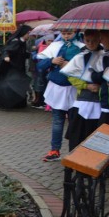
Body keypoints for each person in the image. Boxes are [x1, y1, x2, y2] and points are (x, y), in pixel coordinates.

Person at [36, 29, 83, 162]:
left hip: (75, 88)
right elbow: (40, 65)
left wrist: (70, 65)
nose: (66, 36)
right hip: (57, 87)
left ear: (76, 32)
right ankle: (54, 150)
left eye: (69, 33)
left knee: (75, 123)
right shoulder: (55, 46)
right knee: (57, 121)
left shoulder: (82, 47)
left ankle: (75, 152)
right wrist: (52, 61)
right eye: (64, 33)